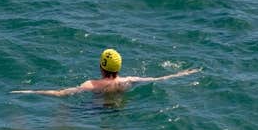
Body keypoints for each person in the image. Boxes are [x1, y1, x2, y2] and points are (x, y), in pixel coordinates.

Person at [11, 49, 201, 97]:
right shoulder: (129, 80)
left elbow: (62, 93)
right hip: (119, 107)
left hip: (97, 110)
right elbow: (160, 78)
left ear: (102, 66)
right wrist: (185, 73)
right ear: (118, 67)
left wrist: (29, 92)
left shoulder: (91, 85)